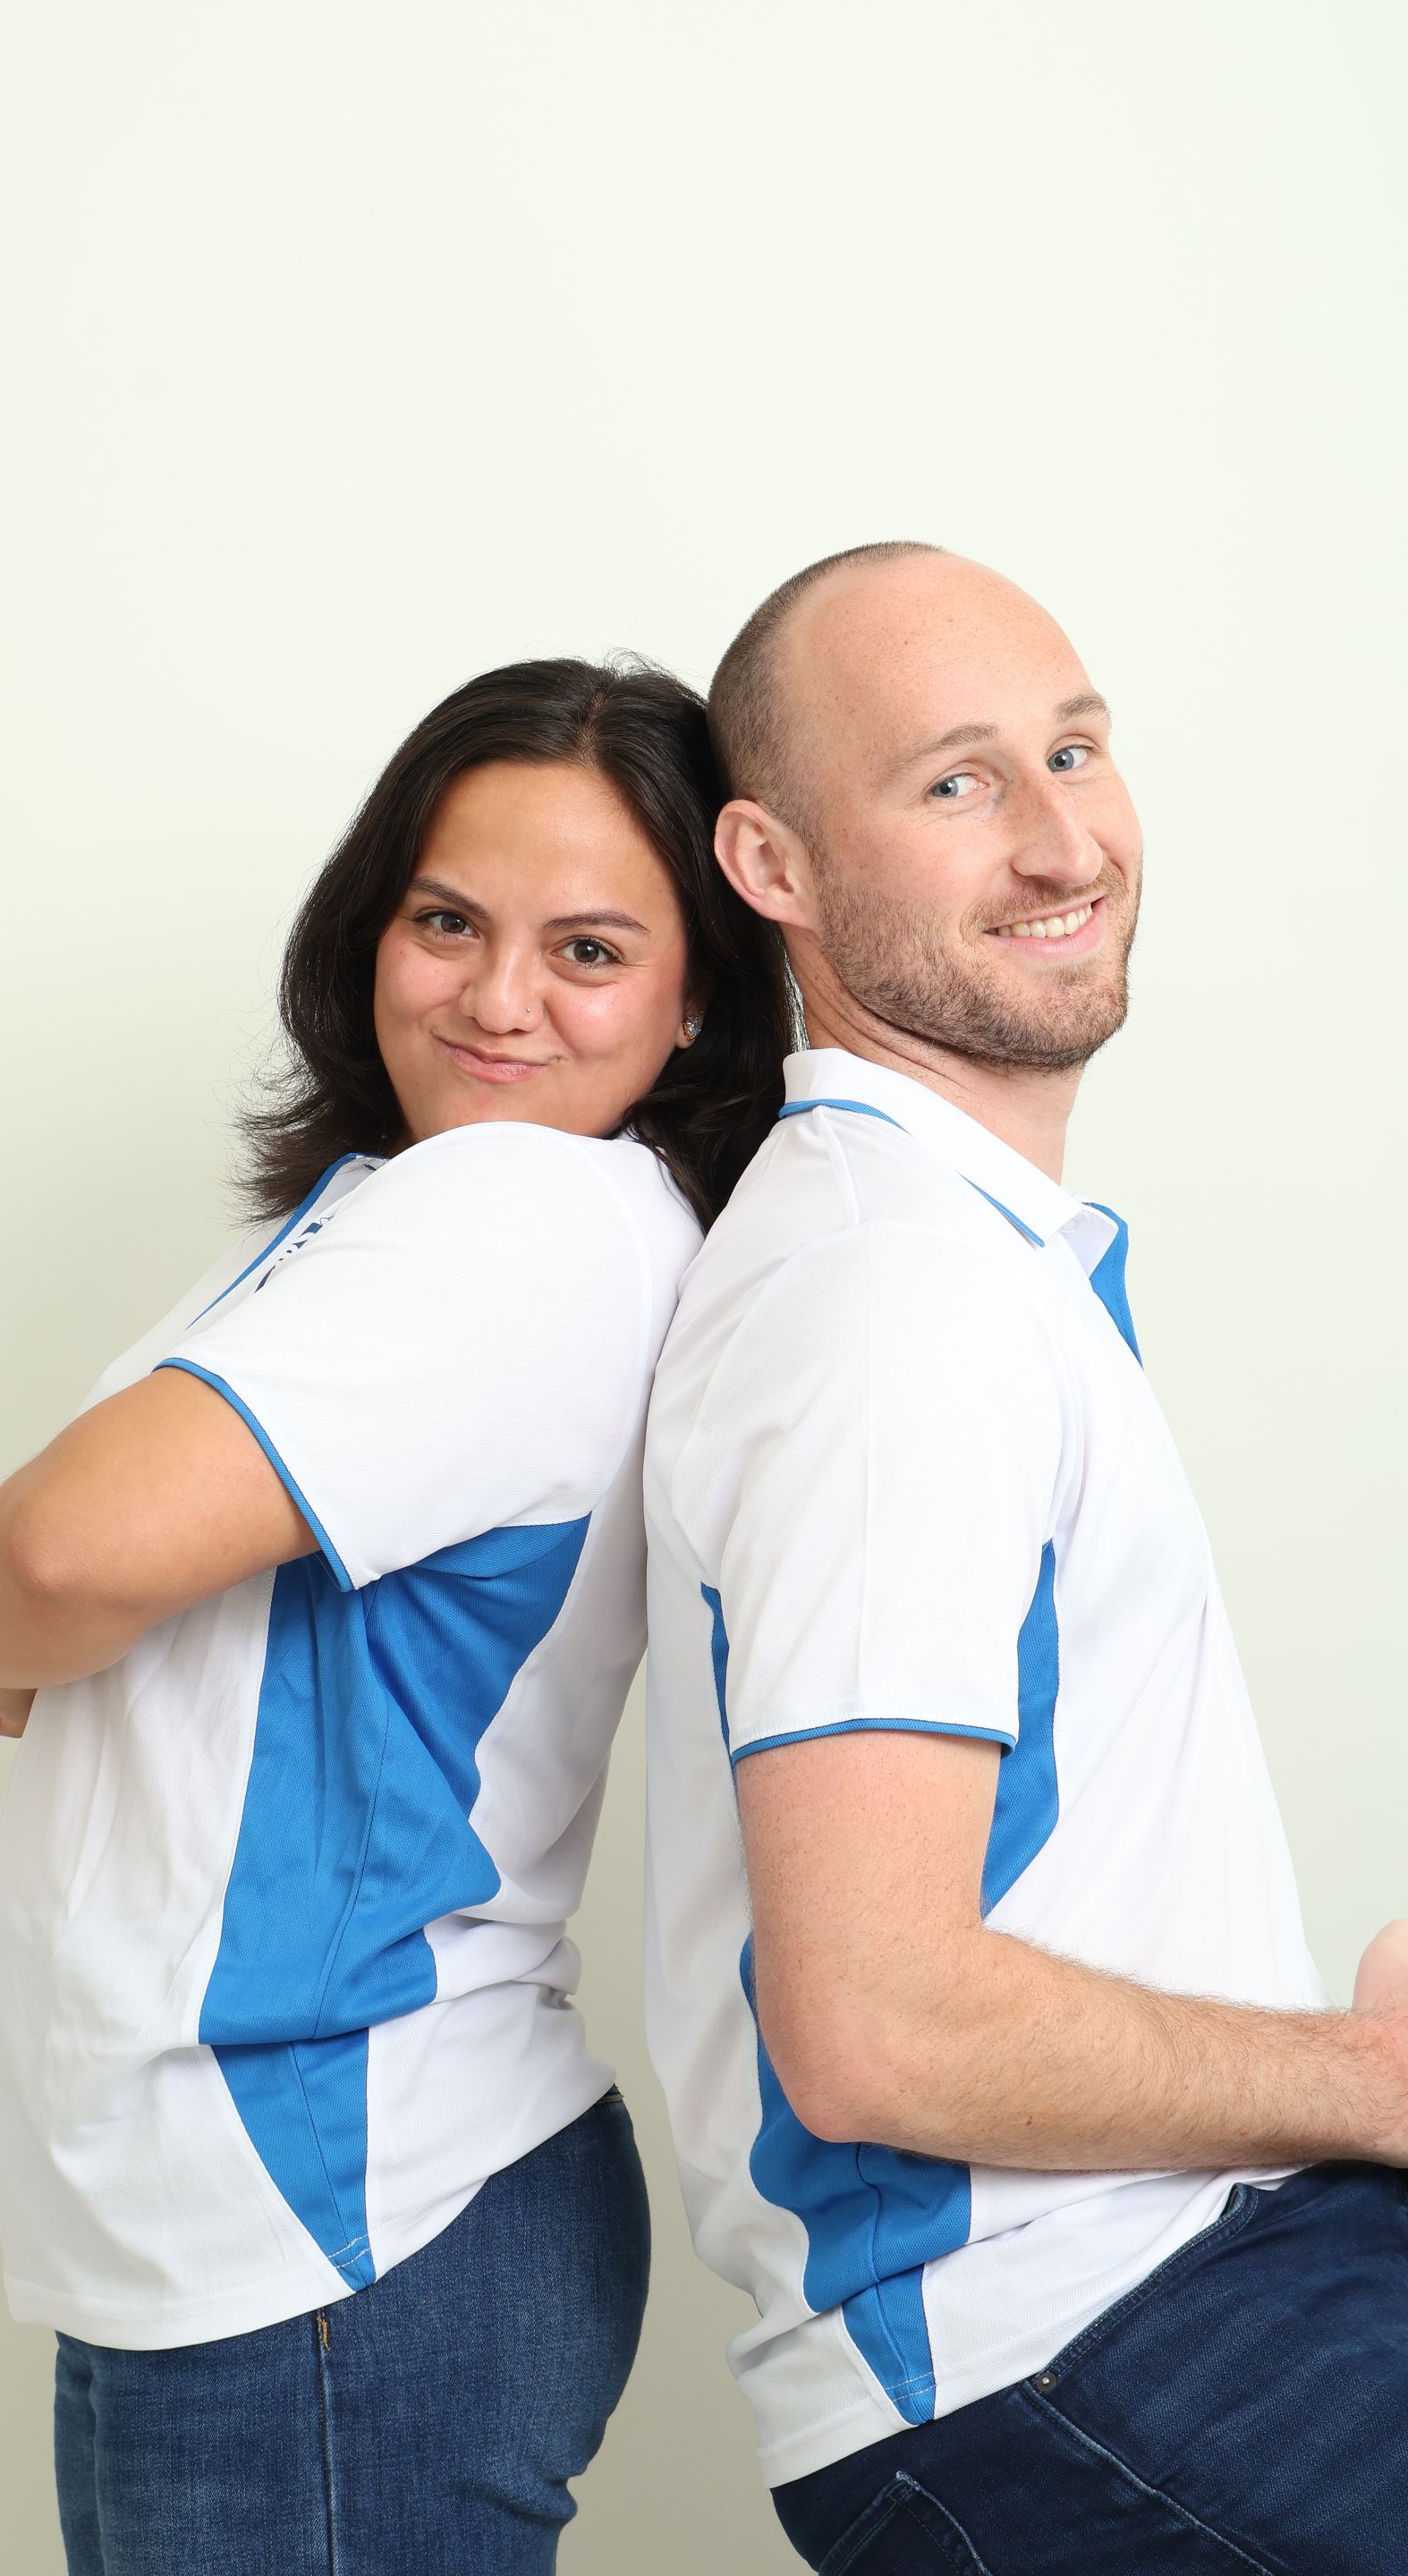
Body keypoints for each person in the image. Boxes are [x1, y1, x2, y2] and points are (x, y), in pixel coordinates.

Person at [0, 655, 794, 2576]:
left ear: (697, 997)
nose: (495, 1000)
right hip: (269, 2233)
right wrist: (60, 1614)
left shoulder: (519, 1221)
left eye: (586, 948)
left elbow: (59, 1558)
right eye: (447, 922)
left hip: (326, 2217)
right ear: (369, 926)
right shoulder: (441, 1214)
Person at [642, 545, 1408, 2572]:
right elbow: (877, 2018)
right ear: (776, 865)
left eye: (1077, 749)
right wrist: (1366, 2077)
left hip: (1181, 2289)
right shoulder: (893, 1304)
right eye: (960, 782)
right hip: (1069, 2357)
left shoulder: (957, 1262)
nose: (1066, 836)